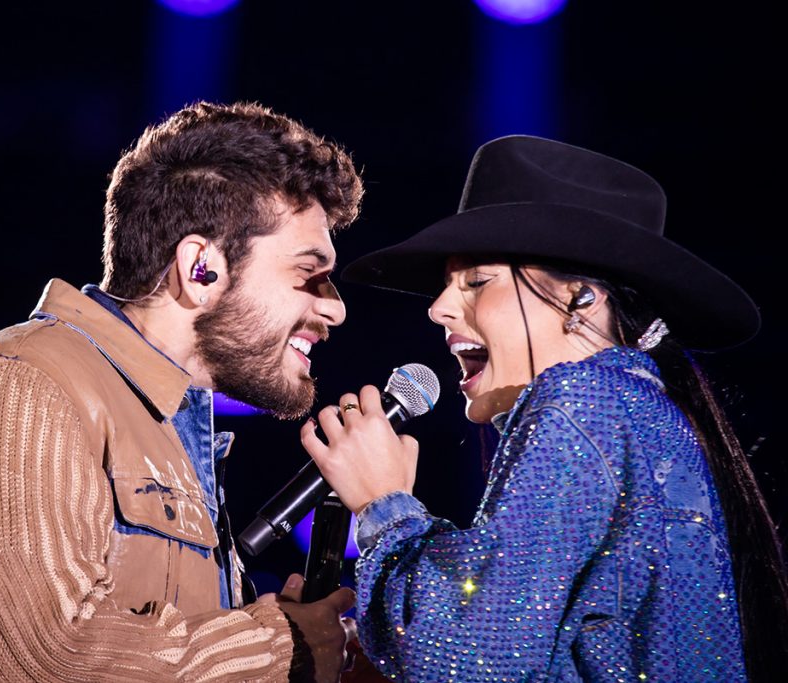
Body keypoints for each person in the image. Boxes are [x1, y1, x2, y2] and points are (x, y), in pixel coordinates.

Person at [0, 101, 365, 682]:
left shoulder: (165, 423)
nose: (335, 308)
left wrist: (277, 634)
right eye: (308, 273)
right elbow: (40, 664)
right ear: (201, 268)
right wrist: (281, 645)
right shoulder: (20, 385)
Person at [303, 136, 788, 682]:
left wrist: (384, 506)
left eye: (477, 282)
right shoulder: (641, 409)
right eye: (446, 286)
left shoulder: (585, 401)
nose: (438, 309)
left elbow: (463, 656)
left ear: (582, 299)